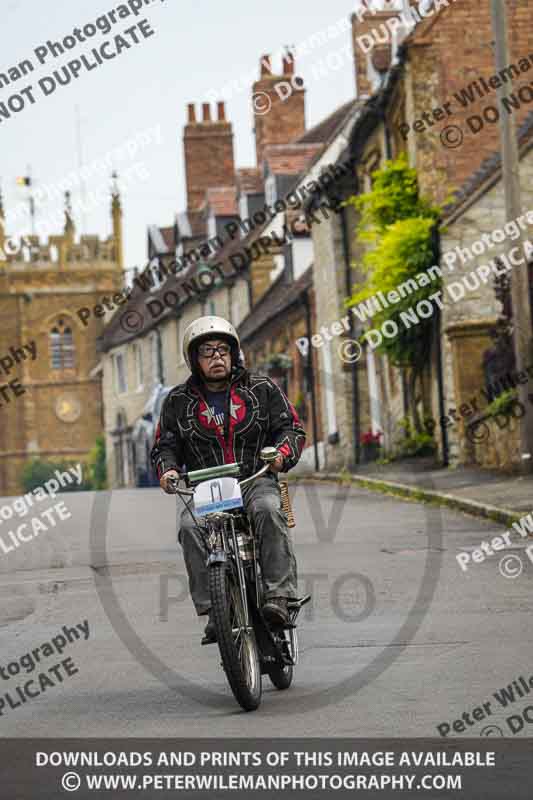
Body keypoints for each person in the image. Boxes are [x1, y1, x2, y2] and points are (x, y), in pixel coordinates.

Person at [151, 316, 306, 642]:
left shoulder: (262, 388)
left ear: (234, 353)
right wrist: (167, 470)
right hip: (206, 486)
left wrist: (281, 453)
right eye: (207, 352)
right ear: (194, 359)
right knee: (190, 527)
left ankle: (279, 595)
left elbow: (290, 427)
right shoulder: (177, 402)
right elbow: (164, 445)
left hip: (254, 478)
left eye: (223, 350)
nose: (217, 357)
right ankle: (215, 612)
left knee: (266, 509)